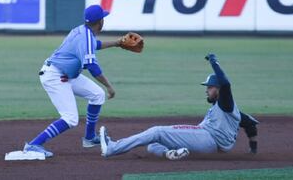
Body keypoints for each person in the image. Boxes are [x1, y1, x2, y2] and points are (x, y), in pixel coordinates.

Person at [99, 53, 259, 160]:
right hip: (205, 141)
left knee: (157, 131)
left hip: (207, 139)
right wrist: (253, 149)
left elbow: (226, 83)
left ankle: (112, 148)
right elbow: (250, 124)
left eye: (209, 87)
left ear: (218, 89)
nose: (206, 90)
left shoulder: (226, 103)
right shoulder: (232, 111)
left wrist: (214, 63)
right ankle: (171, 154)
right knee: (153, 143)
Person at [23, 5, 122, 157]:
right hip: (55, 75)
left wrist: (117, 43)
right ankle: (33, 145)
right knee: (70, 118)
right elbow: (92, 67)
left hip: (64, 74)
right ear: (100, 22)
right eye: (103, 18)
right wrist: (110, 87)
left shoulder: (81, 30)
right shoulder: (86, 36)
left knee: (97, 94)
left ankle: (89, 138)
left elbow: (95, 45)